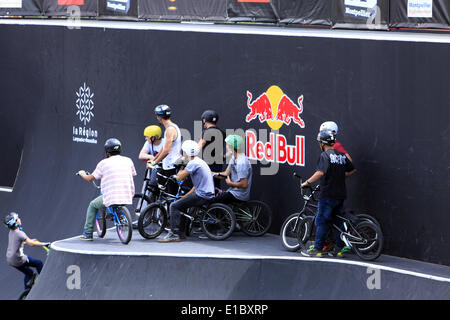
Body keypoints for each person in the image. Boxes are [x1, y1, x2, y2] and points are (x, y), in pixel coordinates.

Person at [300, 130, 356, 258]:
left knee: (321, 221)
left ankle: (318, 249)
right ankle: (338, 248)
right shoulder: (341, 155)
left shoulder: (325, 156)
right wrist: (340, 176)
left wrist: (306, 183)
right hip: (340, 195)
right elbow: (352, 169)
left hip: (328, 195)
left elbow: (320, 173)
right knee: (337, 222)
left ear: (322, 143)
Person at [78, 138, 136, 241]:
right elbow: (133, 174)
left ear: (107, 151)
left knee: (92, 205)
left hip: (111, 196)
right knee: (114, 200)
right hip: (127, 194)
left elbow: (90, 178)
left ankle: (87, 233)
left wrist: (82, 173)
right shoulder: (128, 160)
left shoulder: (103, 163)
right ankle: (119, 215)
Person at [158, 140, 215, 243]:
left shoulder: (192, 163)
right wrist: (186, 196)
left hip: (202, 195)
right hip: (205, 192)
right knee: (182, 204)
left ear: (185, 152)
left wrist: (181, 164)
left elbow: (179, 178)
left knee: (174, 206)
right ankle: (181, 233)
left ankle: (174, 234)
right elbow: (196, 185)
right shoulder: (199, 161)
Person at [4, 212, 50, 290]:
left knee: (29, 273)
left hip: (10, 260)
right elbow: (32, 244)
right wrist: (44, 244)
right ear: (15, 222)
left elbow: (18, 242)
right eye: (18, 218)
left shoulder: (11, 232)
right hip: (19, 259)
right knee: (38, 263)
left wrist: (31, 241)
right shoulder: (20, 233)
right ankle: (44, 282)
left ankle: (27, 292)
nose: (19, 219)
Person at [150, 105, 182, 195]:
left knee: (171, 195)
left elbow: (166, 151)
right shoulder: (173, 127)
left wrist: (155, 163)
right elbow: (163, 148)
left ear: (159, 117)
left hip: (171, 166)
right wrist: (154, 159)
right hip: (170, 165)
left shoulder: (170, 130)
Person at [213, 134, 252, 204]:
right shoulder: (234, 158)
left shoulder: (241, 162)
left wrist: (230, 183)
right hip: (232, 191)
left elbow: (244, 184)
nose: (226, 146)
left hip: (239, 195)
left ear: (231, 147)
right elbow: (226, 174)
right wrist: (211, 173)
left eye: (227, 145)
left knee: (213, 201)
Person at [197, 110, 226, 188]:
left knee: (206, 187)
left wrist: (188, 156)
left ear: (204, 120)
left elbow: (198, 147)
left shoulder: (207, 132)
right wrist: (223, 157)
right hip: (218, 164)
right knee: (216, 186)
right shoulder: (222, 132)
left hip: (208, 165)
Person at [138, 125, 164, 201]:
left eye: (147, 136)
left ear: (153, 138)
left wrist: (155, 159)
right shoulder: (148, 143)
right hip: (155, 169)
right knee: (151, 188)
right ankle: (150, 207)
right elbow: (141, 155)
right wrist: (152, 157)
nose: (145, 138)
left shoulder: (165, 142)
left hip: (165, 170)